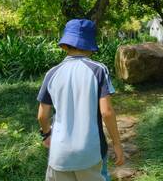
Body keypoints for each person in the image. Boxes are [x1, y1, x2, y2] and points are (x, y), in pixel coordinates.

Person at [37, 19, 124, 181]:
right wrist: (117, 144)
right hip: (90, 152)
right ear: (91, 45)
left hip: (59, 154)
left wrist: (46, 135)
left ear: (64, 45)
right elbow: (106, 112)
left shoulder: (52, 73)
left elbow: (42, 116)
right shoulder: (98, 70)